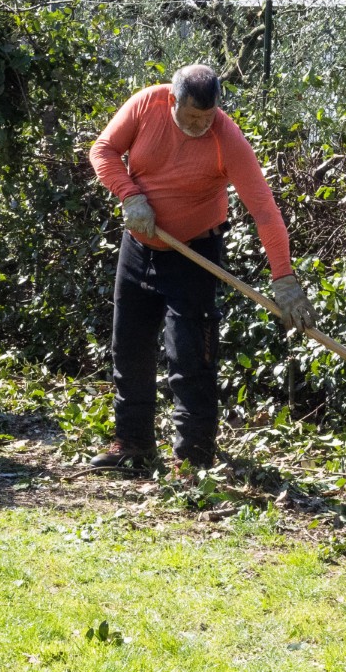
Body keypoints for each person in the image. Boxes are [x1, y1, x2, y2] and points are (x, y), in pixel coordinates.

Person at [87, 63, 318, 473]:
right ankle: (133, 445)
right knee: (130, 348)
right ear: (172, 101)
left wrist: (284, 279)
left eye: (207, 118)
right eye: (192, 117)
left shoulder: (226, 139)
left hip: (195, 253)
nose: (199, 126)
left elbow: (264, 211)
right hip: (139, 246)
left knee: (191, 357)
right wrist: (129, 195)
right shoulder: (146, 105)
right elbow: (102, 150)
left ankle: (192, 461)